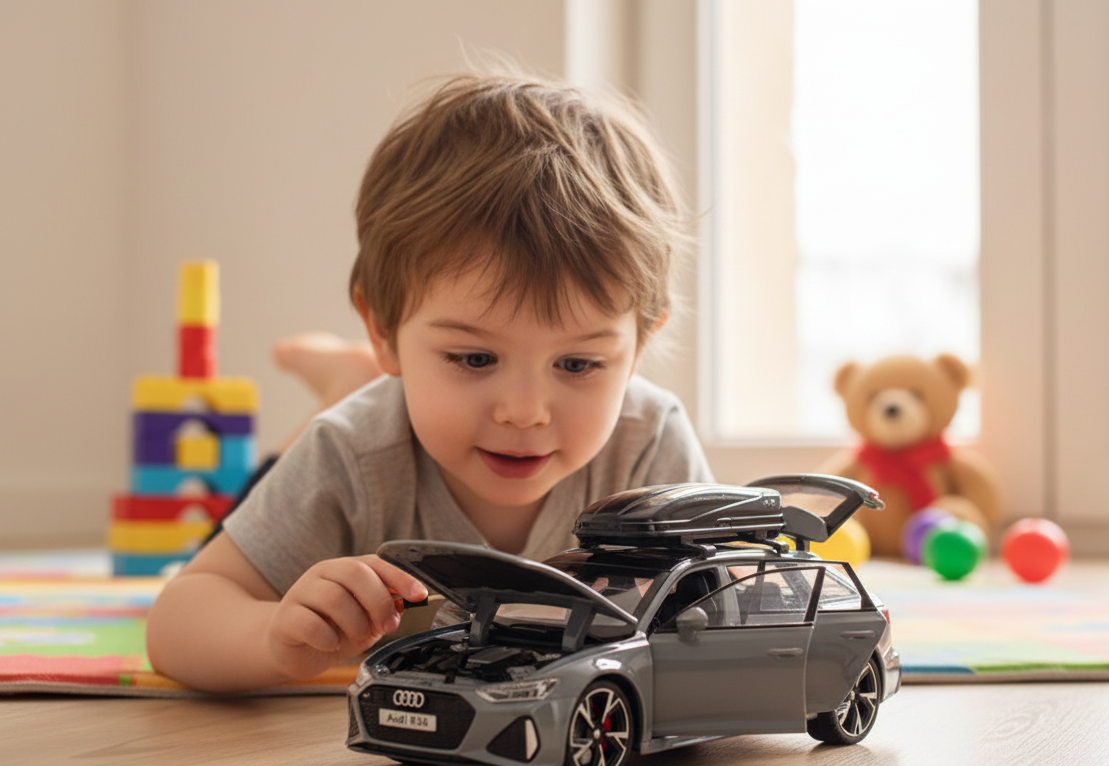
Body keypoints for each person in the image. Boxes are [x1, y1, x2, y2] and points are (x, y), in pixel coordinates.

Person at [145, 72, 714, 693]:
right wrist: (271, 637)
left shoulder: (652, 448)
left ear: (637, 350)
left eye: (576, 365)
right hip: (354, 434)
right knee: (298, 459)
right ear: (384, 331)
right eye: (473, 359)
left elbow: (727, 609)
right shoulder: (352, 452)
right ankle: (347, 381)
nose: (524, 412)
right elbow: (179, 618)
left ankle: (358, 374)